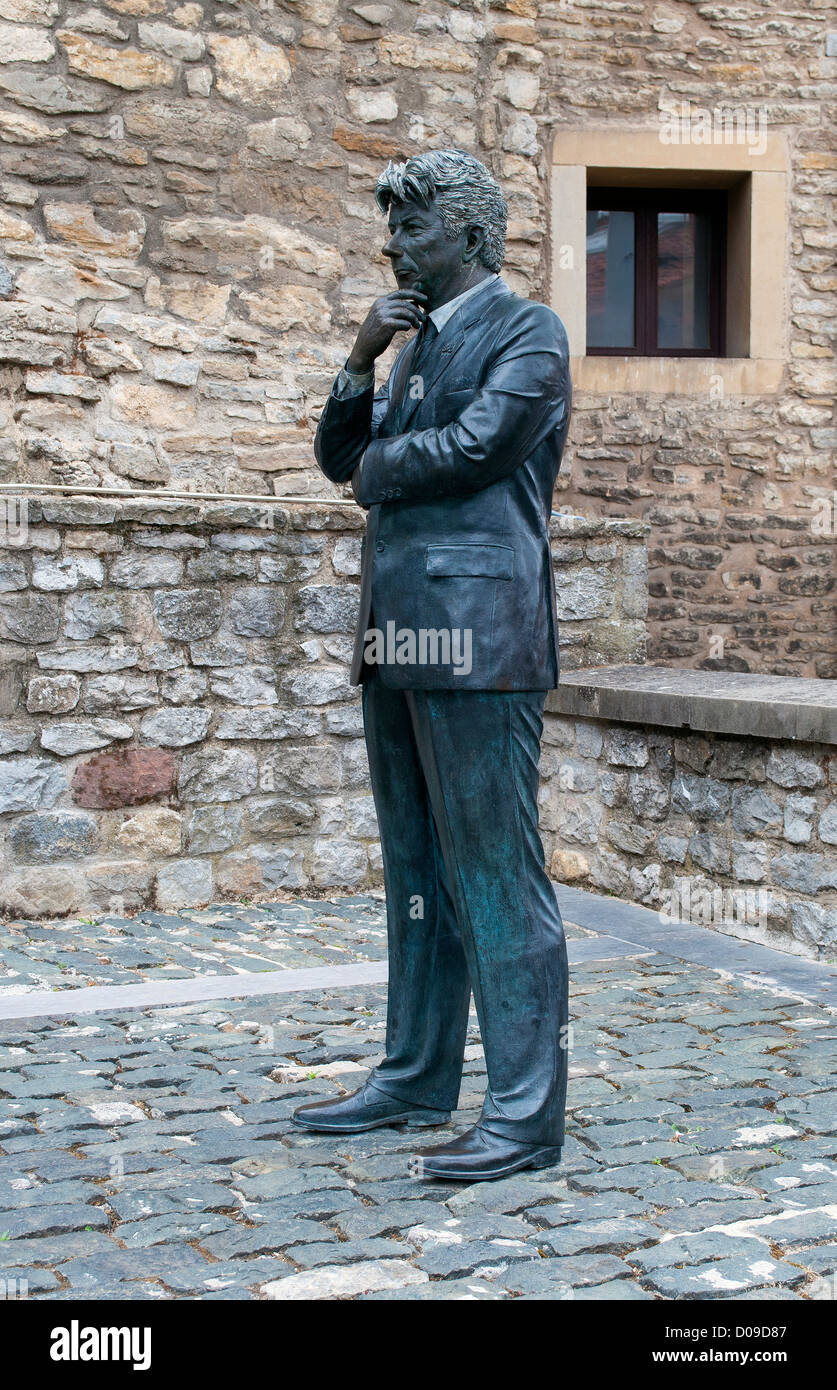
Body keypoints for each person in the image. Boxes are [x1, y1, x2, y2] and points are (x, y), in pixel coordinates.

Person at [293, 149, 573, 1181]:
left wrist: (375, 468)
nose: (393, 246)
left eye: (412, 229)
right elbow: (337, 455)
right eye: (392, 228)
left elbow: (479, 445)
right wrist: (358, 361)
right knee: (417, 872)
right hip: (397, 637)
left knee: (496, 872)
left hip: (482, 641)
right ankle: (415, 1072)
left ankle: (526, 1112)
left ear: (467, 232)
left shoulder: (528, 332)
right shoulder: (411, 344)